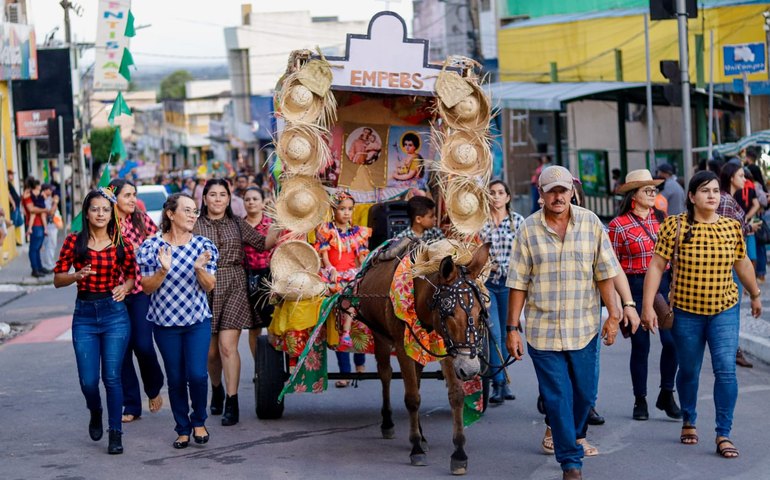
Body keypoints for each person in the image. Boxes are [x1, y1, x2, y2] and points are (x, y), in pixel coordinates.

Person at [505, 165, 626, 480]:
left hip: (583, 328)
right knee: (557, 396)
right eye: (551, 190)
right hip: (543, 332)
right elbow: (518, 283)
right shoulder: (528, 230)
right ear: (541, 195)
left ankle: (566, 435)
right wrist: (512, 328)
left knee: (584, 395)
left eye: (563, 190)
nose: (558, 196)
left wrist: (614, 314)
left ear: (573, 191)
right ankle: (571, 462)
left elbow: (605, 273)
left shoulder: (591, 224)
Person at [642, 170, 762, 460]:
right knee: (690, 370)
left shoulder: (732, 227)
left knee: (725, 369)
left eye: (716, 190)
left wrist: (756, 294)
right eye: (705, 190)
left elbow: (742, 262)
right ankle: (689, 418)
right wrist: (647, 305)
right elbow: (657, 266)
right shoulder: (675, 226)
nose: (712, 195)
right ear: (692, 197)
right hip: (686, 313)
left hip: (724, 310)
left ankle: (723, 433)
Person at [53, 189, 136, 454]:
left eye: (104, 209)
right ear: (86, 214)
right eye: (94, 209)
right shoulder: (73, 243)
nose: (100, 214)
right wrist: (76, 276)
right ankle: (95, 410)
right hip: (85, 315)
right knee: (88, 381)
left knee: (111, 377)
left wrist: (125, 287)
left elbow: (133, 275)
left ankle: (116, 433)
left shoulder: (121, 243)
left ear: (111, 213)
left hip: (114, 314)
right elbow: (57, 278)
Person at [193, 178, 277, 426]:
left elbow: (263, 244)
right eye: (213, 195)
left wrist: (280, 220)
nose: (218, 199)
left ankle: (232, 400)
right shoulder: (194, 226)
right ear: (205, 198)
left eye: (223, 195)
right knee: (210, 352)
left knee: (228, 347)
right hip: (203, 286)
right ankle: (216, 388)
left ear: (230, 199)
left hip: (234, 284)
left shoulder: (238, 224)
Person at [138, 193, 218, 449]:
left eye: (195, 210)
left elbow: (209, 286)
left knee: (196, 374)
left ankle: (199, 420)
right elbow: (147, 288)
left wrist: (199, 269)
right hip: (165, 325)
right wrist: (163, 269)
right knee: (175, 378)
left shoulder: (203, 246)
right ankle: (182, 428)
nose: (194, 215)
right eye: (188, 210)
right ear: (171, 214)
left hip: (196, 321)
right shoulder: (152, 247)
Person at [608, 170, 681, 421]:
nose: (653, 193)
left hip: (664, 286)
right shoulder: (618, 226)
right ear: (633, 196)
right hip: (634, 287)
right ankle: (640, 399)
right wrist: (617, 302)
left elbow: (675, 254)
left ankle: (667, 393)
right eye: (646, 190)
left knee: (672, 343)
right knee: (641, 346)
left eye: (654, 189)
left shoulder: (663, 219)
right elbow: (612, 264)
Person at [108, 179, 166, 423]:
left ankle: (153, 388)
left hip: (141, 291)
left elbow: (160, 247)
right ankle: (131, 405)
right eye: (127, 195)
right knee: (122, 350)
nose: (132, 199)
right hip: (112, 294)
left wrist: (138, 250)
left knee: (143, 344)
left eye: (134, 194)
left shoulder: (141, 220)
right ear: (114, 198)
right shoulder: (105, 224)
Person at [314, 191, 370, 386]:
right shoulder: (326, 230)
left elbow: (361, 256)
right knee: (339, 318)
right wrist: (330, 269)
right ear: (333, 210)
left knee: (360, 317)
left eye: (349, 209)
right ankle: (345, 373)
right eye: (342, 209)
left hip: (352, 273)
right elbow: (325, 256)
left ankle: (360, 364)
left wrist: (364, 269)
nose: (346, 213)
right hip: (335, 274)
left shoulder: (358, 232)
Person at [480, 179, 524, 404]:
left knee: (509, 332)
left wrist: (506, 268)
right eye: (492, 193)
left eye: (500, 193)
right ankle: (498, 383)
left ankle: (504, 381)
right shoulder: (480, 224)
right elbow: (472, 254)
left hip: (510, 286)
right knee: (493, 333)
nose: (496, 196)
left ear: (507, 197)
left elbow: (524, 256)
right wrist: (488, 266)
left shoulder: (518, 223)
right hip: (487, 285)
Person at [717, 162, 760, 369]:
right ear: (731, 177)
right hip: (732, 262)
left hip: (733, 259)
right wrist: (747, 228)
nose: (744, 179)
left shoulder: (728, 198)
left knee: (732, 305)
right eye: (741, 175)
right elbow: (726, 234)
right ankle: (732, 349)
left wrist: (749, 227)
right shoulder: (725, 200)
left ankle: (732, 349)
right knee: (732, 306)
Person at [242, 187, 275, 359]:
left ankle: (273, 365)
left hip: (269, 276)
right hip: (248, 277)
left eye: (255, 199)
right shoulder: (239, 226)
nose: (251, 202)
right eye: (247, 199)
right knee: (254, 326)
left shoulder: (271, 225)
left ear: (263, 203)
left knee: (272, 323)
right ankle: (259, 368)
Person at [23, 178, 49, 277]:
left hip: (40, 225)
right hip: (35, 225)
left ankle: (39, 267)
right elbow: (31, 209)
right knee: (34, 248)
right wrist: (44, 210)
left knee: (37, 248)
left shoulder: (33, 194)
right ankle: (35, 270)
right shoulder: (28, 196)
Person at [39, 184, 60, 272]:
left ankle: (49, 264)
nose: (51, 191)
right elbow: (51, 212)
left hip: (53, 225)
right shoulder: (45, 200)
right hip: (49, 226)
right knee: (50, 246)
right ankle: (49, 265)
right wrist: (55, 202)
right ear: (45, 190)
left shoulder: (49, 199)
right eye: (50, 190)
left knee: (51, 245)